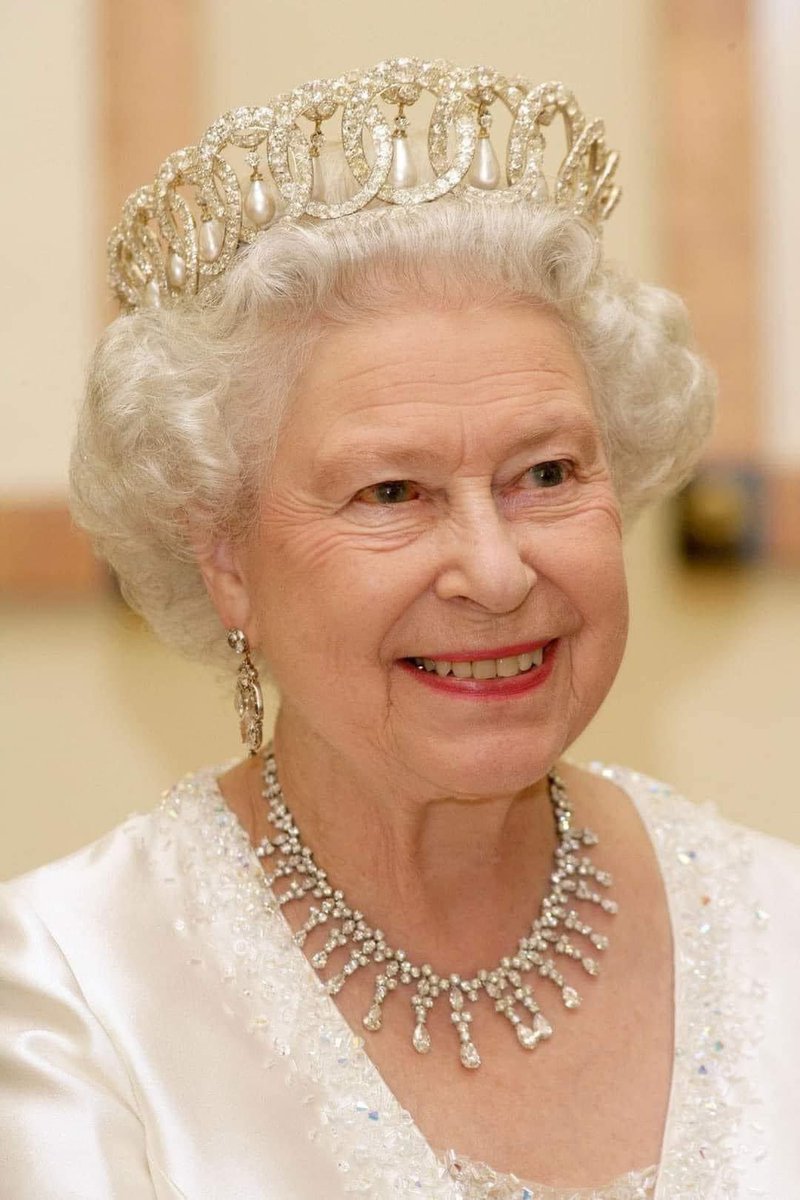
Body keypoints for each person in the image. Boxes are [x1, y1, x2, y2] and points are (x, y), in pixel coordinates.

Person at [0, 57, 797, 1199]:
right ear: (225, 559)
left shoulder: (783, 933)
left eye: (545, 473)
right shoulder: (63, 999)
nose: (492, 567)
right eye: (390, 494)